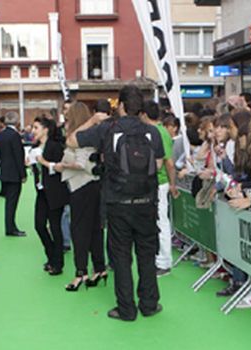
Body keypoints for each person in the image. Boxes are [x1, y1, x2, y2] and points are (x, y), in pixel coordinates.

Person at [68, 85, 165, 321]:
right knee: (146, 253)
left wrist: (92, 120)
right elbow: (159, 165)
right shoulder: (153, 132)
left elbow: (71, 141)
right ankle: (149, 303)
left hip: (117, 201)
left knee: (121, 256)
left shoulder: (106, 129)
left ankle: (126, 308)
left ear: (120, 106)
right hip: (146, 201)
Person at [56, 102, 105, 291]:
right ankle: (99, 268)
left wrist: (62, 166)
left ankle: (81, 272)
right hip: (92, 186)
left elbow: (81, 164)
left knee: (80, 231)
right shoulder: (91, 135)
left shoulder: (79, 138)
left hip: (81, 187)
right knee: (94, 230)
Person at [142, 100, 176, 276]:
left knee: (161, 221)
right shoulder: (161, 131)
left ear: (145, 115)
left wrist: (172, 184)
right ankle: (160, 258)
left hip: (159, 182)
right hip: (159, 182)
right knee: (158, 221)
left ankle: (164, 261)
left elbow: (168, 162)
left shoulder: (157, 132)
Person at [32, 115, 67, 276]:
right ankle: (51, 254)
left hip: (55, 191)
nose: (33, 131)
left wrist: (44, 162)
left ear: (45, 130)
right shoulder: (35, 147)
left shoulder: (55, 146)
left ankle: (57, 263)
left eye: (36, 128)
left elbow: (61, 168)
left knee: (55, 227)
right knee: (39, 225)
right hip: (41, 190)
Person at [0, 111, 26, 236]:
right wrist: (23, 173)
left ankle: (10, 226)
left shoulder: (1, 135)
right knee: (12, 202)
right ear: (17, 121)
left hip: (5, 171)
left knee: (9, 202)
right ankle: (11, 228)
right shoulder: (15, 136)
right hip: (14, 173)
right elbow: (18, 156)